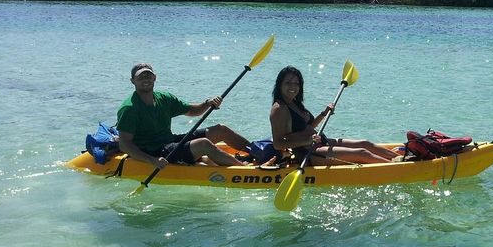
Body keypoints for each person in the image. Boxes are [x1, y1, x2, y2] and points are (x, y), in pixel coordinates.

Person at [117, 63, 251, 168]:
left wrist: (207, 103)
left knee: (221, 130)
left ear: (155, 77)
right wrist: (152, 160)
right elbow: (125, 145)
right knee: (204, 144)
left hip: (170, 142)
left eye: (148, 76)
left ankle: (261, 153)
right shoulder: (129, 108)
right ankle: (245, 169)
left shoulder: (164, 98)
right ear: (132, 81)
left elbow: (192, 111)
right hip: (154, 152)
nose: (145, 79)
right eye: (141, 77)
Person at [269, 65, 399, 165]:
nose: (293, 87)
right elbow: (278, 144)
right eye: (288, 83)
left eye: (296, 83)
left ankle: (401, 159)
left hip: (320, 143)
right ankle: (397, 168)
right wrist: (308, 141)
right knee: (362, 153)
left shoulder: (294, 103)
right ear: (279, 85)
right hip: (308, 152)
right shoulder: (279, 109)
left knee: (365, 144)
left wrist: (323, 114)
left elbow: (307, 128)